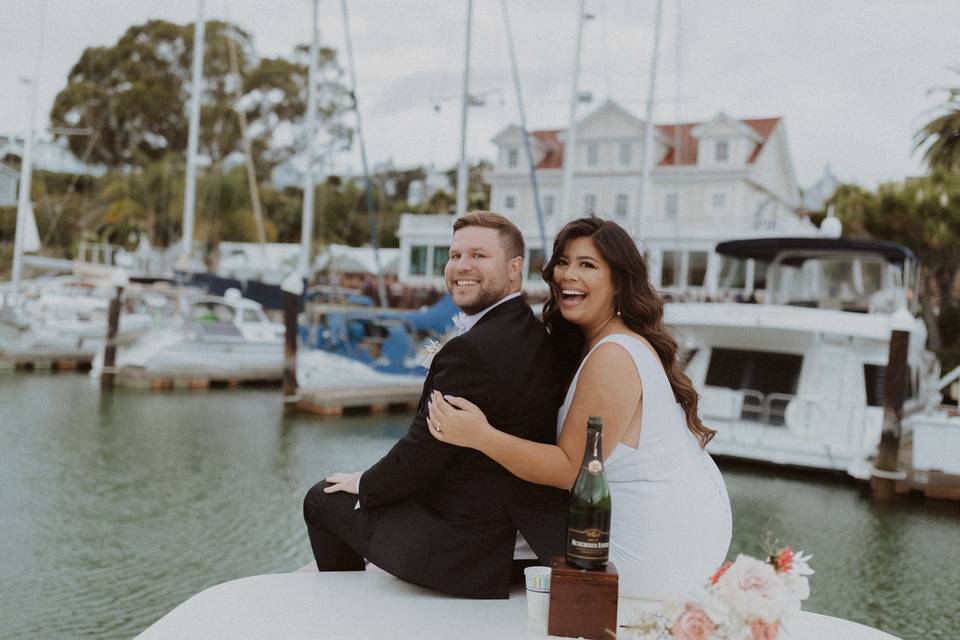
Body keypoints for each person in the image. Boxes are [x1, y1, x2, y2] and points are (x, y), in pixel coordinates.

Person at [427, 217, 732, 600]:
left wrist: (480, 436)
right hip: (676, 547)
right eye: (564, 262)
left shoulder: (614, 356)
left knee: (500, 478)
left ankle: (443, 559)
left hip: (638, 557)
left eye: (587, 265)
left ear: (619, 281)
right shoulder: (612, 342)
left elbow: (570, 469)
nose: (568, 275)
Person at [303, 211, 569, 599]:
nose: (462, 266)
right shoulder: (534, 332)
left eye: (479, 255)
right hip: (526, 538)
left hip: (469, 552)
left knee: (322, 499)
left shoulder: (473, 350)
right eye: (455, 255)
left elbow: (422, 453)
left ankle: (345, 615)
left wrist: (365, 483)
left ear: (514, 269)